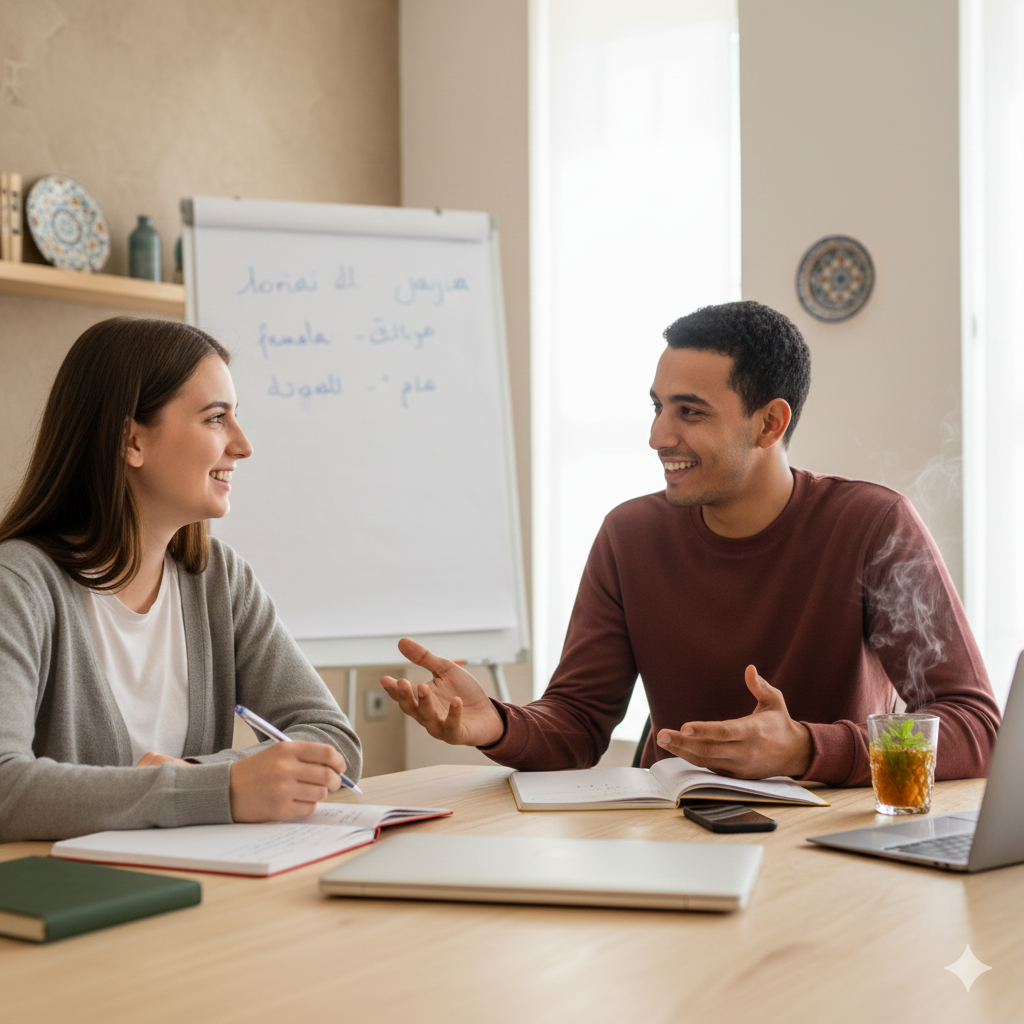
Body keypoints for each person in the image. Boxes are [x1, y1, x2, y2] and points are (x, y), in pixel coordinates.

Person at [381, 300, 1000, 786]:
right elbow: (576, 723)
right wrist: (496, 724)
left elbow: (976, 727)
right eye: (657, 407)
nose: (657, 435)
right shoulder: (630, 536)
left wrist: (807, 747)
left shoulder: (872, 524)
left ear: (770, 422)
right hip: (674, 837)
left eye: (690, 412)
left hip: (831, 844)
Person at [0, 317, 360, 843]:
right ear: (132, 441)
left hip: (197, 890)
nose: (243, 445)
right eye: (216, 419)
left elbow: (332, 738)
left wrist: (198, 775)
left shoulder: (220, 580)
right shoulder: (19, 585)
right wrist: (217, 789)